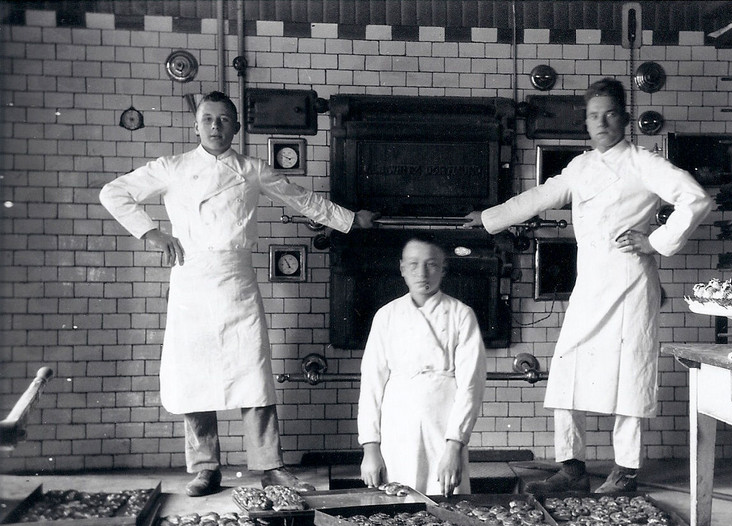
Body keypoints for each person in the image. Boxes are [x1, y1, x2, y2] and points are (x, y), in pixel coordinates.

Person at [99, 91, 376, 497]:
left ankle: (270, 467)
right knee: (192, 377)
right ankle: (205, 468)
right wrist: (152, 232)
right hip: (191, 281)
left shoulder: (252, 170)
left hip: (236, 281)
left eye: (224, 119)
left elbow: (302, 200)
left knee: (254, 374)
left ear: (236, 126)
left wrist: (350, 220)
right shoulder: (171, 168)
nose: (215, 126)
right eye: (208, 119)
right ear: (196, 125)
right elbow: (114, 193)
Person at [466, 78, 713, 494]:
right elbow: (542, 195)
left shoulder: (644, 163)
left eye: (610, 114)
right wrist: (490, 218)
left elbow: (696, 198)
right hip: (590, 284)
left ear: (626, 118)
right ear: (586, 121)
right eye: (594, 116)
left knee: (630, 375)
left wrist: (653, 242)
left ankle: (626, 472)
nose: (601, 122)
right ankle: (571, 465)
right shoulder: (580, 167)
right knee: (566, 371)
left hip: (631, 283)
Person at [357, 235, 487, 497]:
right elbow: (371, 383)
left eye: (431, 265)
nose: (422, 273)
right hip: (397, 427)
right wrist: (370, 448)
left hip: (443, 427)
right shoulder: (386, 315)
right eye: (414, 265)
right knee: (395, 508)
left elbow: (471, 386)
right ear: (402, 269)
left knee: (446, 510)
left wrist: (454, 446)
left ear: (443, 269)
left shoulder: (462, 314)